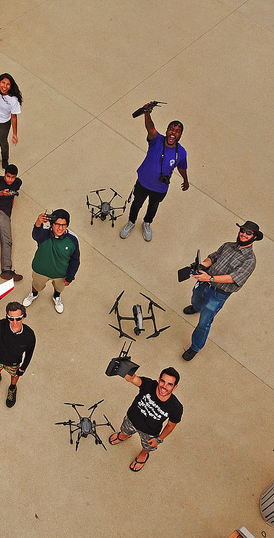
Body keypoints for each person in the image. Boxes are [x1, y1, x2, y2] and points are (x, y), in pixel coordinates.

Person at [181, 221, 261, 361]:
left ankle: (195, 347)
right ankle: (197, 307)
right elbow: (213, 257)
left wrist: (210, 278)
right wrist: (202, 265)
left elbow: (232, 278)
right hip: (204, 283)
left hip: (218, 294)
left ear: (254, 237)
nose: (243, 234)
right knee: (195, 299)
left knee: (204, 322)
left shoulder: (250, 260)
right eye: (242, 230)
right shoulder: (228, 245)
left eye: (248, 233)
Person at [120, 104, 189, 242]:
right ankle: (131, 222)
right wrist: (147, 113)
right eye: (171, 129)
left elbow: (182, 166)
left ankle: (147, 223)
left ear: (180, 135)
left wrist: (186, 180)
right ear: (167, 130)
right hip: (143, 182)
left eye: (177, 131)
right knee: (136, 204)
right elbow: (150, 128)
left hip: (160, 188)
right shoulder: (156, 140)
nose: (173, 133)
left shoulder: (181, 152)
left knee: (153, 206)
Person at [108, 367, 182, 472]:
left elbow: (171, 425)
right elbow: (133, 379)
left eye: (169, 384)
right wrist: (123, 367)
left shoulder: (176, 407)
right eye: (163, 381)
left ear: (175, 387)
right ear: (159, 379)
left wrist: (159, 439)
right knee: (124, 430)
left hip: (150, 432)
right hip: (131, 420)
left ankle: (143, 455)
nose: (164, 386)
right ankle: (125, 435)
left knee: (147, 447)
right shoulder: (149, 384)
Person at [22, 209, 80, 314]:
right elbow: (36, 235)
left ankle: (56, 297)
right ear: (51, 224)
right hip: (40, 271)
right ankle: (34, 294)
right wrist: (38, 222)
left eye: (64, 225)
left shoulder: (73, 240)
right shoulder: (43, 234)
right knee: (36, 286)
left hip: (61, 274)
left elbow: (75, 260)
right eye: (57, 224)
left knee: (59, 288)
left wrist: (70, 277)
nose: (60, 228)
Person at [0, 301, 35, 408]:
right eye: (11, 318)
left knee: (15, 375)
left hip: (13, 362)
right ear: (7, 317)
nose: (14, 322)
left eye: (18, 318)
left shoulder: (29, 335)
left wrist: (23, 368)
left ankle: (12, 387)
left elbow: (29, 353)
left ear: (23, 317)